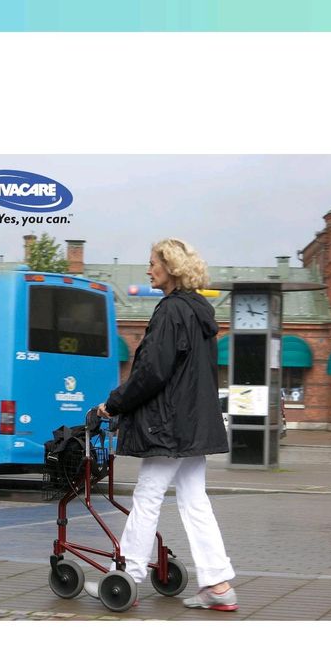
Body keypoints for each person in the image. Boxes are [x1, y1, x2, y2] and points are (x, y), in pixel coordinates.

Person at [84, 237, 238, 611]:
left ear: (170, 267)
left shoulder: (170, 312)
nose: (148, 269)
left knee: (147, 496)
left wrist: (113, 403)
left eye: (153, 262)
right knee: (194, 499)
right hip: (194, 425)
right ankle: (218, 585)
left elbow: (152, 371)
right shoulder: (200, 312)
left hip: (168, 426)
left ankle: (129, 577)